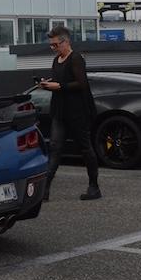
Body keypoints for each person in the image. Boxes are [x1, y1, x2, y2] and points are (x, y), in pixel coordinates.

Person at [38, 26, 102, 201]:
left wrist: (59, 86)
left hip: (77, 111)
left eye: (55, 45)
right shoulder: (56, 60)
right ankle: (44, 190)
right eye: (51, 45)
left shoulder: (76, 58)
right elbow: (60, 81)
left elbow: (81, 83)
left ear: (65, 42)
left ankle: (94, 187)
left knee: (85, 147)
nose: (53, 48)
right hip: (60, 111)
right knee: (55, 148)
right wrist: (47, 84)